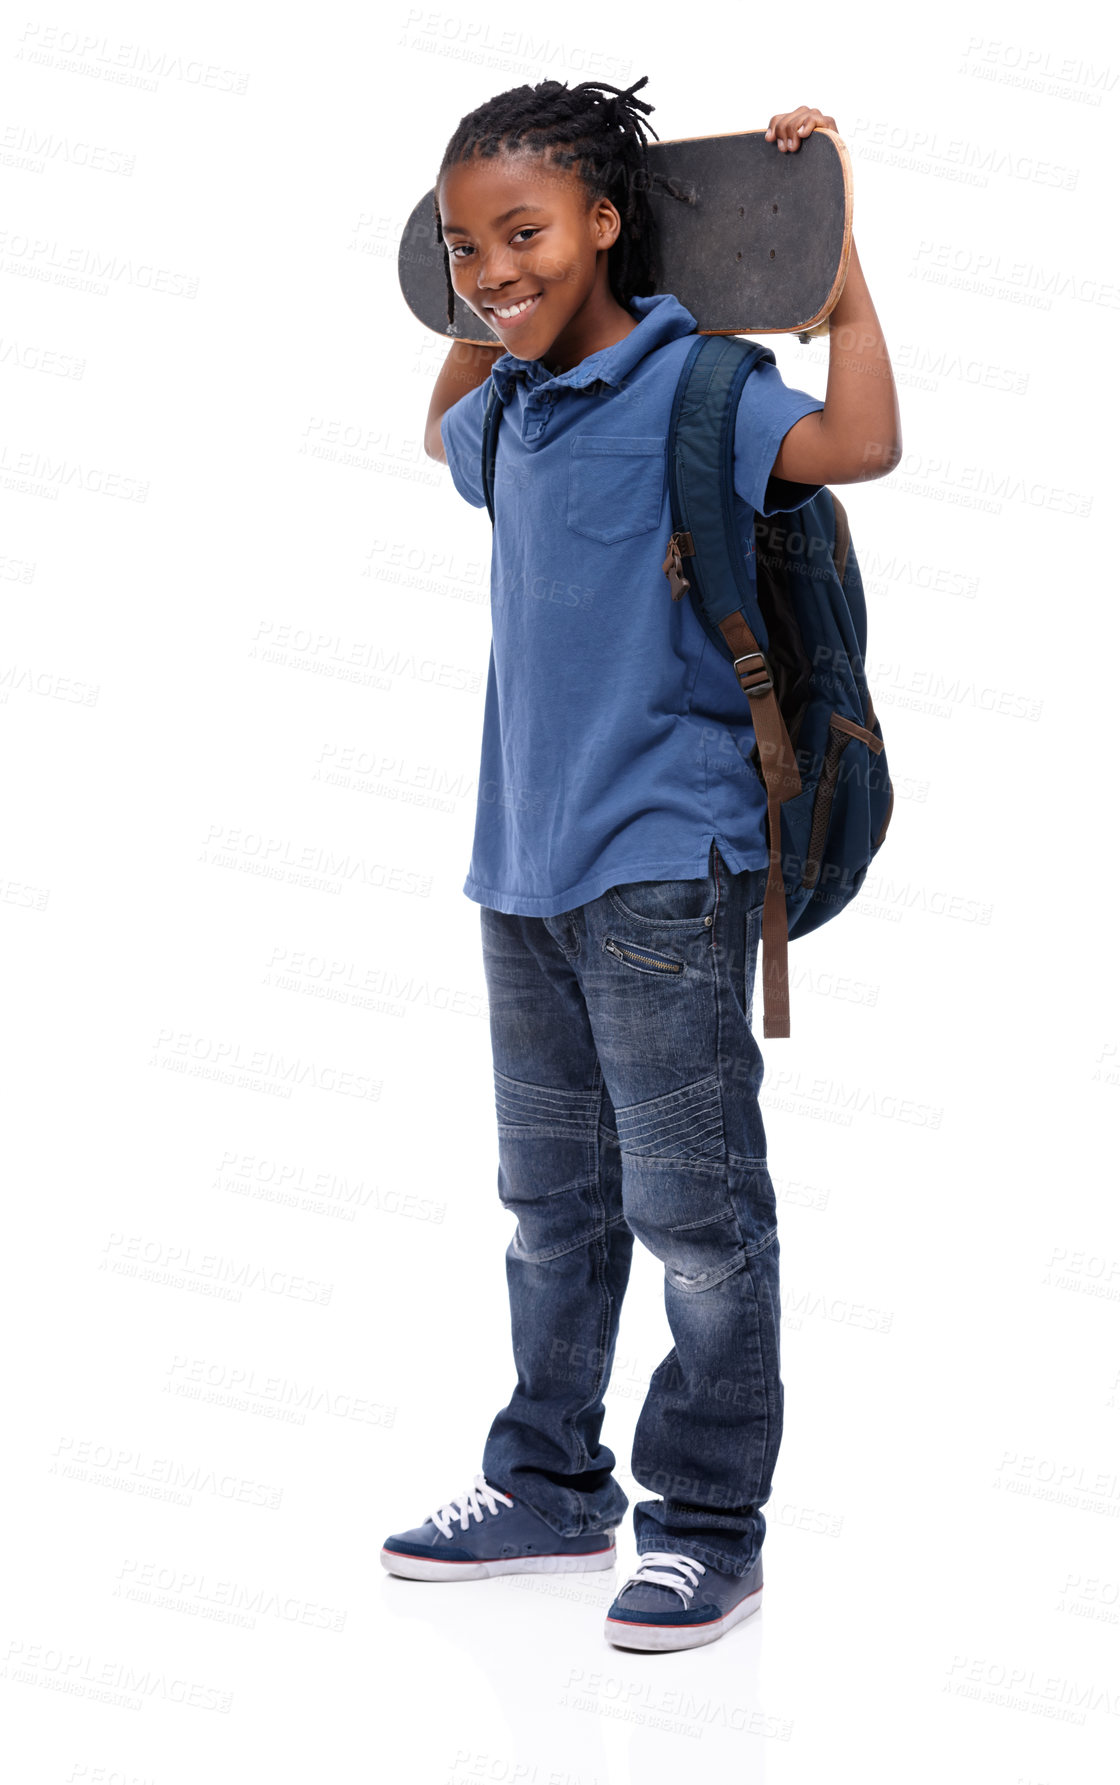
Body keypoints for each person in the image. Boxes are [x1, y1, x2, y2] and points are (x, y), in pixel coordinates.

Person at [381, 76, 901, 1652]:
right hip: (522, 866)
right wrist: (496, 308)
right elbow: (438, 423)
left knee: (698, 1216)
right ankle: (549, 1481)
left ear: (608, 225)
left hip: (671, 866)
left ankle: (704, 1527)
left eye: (526, 235)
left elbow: (862, 440)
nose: (492, 270)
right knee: (549, 1202)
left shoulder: (704, 388)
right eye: (468, 248)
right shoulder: (511, 409)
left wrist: (835, 256)